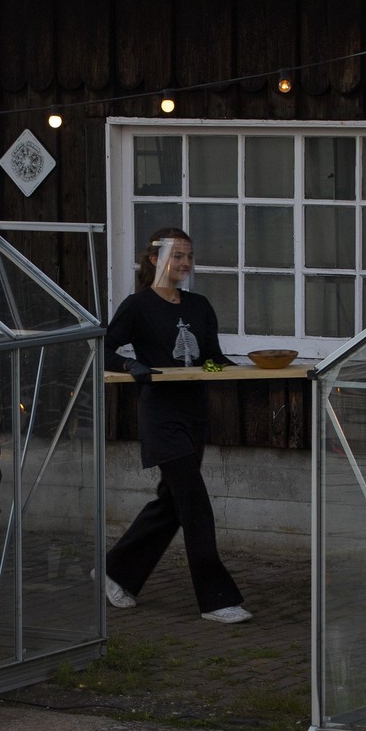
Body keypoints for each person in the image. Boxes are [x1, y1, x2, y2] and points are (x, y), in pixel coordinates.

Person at [101, 228, 251, 624]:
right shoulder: (137, 306)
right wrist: (129, 365)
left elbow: (212, 358)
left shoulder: (199, 306)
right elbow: (102, 348)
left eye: (189, 257)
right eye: (177, 256)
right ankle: (216, 599)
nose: (184, 264)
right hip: (160, 416)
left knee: (172, 503)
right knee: (195, 504)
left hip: (194, 413)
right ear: (154, 259)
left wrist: (243, 371)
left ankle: (115, 570)